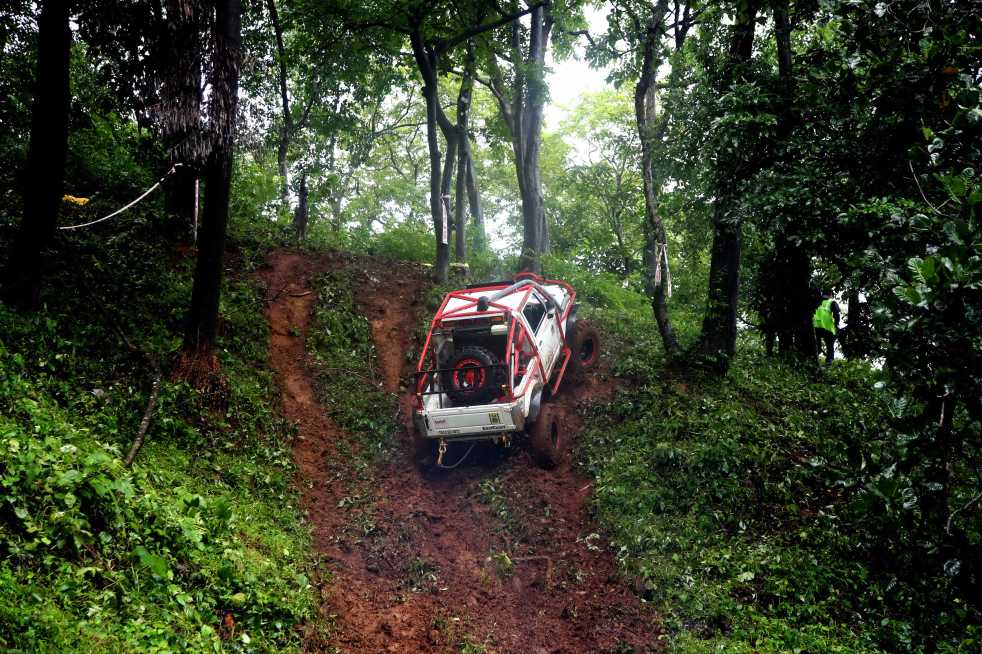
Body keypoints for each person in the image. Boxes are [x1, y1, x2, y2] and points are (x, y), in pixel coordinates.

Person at [812, 290, 840, 362]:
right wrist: (836, 325)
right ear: (831, 295)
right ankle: (829, 363)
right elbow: (837, 315)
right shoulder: (832, 302)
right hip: (827, 328)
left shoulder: (815, 301)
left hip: (815, 327)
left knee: (816, 346)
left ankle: (814, 361)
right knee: (830, 346)